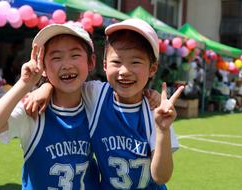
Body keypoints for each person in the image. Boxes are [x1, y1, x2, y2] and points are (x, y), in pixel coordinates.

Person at [24, 18, 184, 189]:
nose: (125, 71)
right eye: (117, 62)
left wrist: (162, 129)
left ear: (152, 69)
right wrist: (46, 87)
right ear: (105, 65)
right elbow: (68, 84)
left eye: (135, 62)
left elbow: (161, 176)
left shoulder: (156, 112)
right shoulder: (96, 94)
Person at [0, 23, 100, 189]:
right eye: (56, 57)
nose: (66, 65)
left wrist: (149, 95)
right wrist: (24, 84)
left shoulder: (97, 100)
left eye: (75, 55)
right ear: (42, 66)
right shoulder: (33, 107)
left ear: (91, 62)